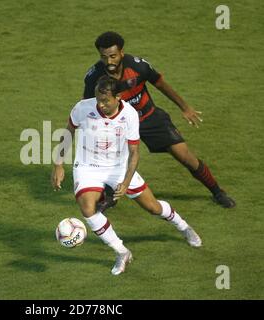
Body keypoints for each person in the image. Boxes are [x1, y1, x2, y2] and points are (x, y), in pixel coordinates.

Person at [51, 76, 202, 276]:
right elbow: (68, 133)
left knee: (153, 207)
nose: (100, 104)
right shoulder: (82, 108)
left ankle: (183, 226)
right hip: (88, 167)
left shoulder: (129, 115)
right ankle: (121, 251)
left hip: (118, 167)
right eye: (98, 99)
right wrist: (58, 164)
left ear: (118, 97)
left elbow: (134, 153)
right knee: (88, 208)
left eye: (105, 100)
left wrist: (125, 182)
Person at [83, 31, 236, 210]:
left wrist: (185, 107)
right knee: (110, 160)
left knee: (185, 156)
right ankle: (109, 198)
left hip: (149, 118)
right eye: (104, 57)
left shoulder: (138, 67)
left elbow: (161, 84)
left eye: (113, 56)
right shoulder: (94, 77)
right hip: (119, 124)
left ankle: (217, 192)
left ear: (122, 53)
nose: (109, 62)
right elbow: (87, 106)